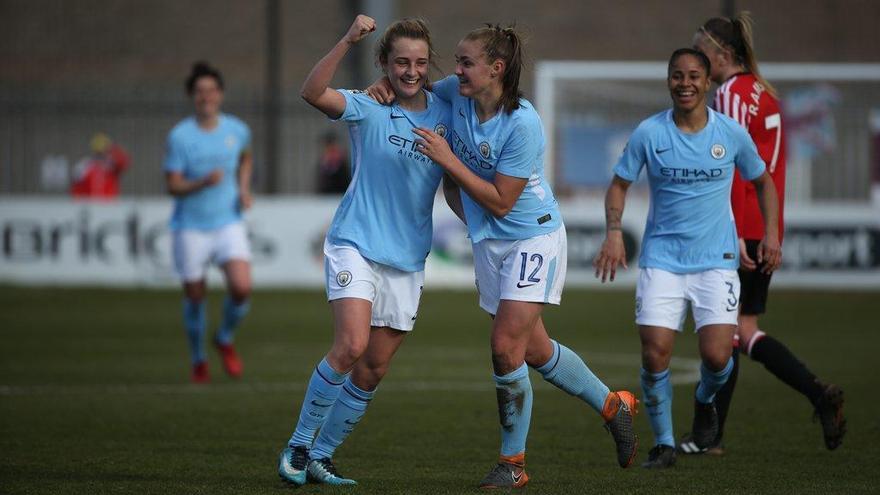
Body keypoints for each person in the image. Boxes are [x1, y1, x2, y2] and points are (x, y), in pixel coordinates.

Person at [371, 24, 638, 489]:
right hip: (490, 243)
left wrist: (448, 160)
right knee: (534, 350)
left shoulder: (523, 123)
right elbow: (418, 91)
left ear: (496, 69)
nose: (456, 71)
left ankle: (512, 464)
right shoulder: (457, 92)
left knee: (503, 347)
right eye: (456, 62)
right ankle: (613, 405)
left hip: (531, 238)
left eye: (466, 62)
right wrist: (387, 87)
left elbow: (501, 201)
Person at [276, 15, 451, 486]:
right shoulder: (368, 105)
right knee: (351, 346)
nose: (410, 71)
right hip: (355, 242)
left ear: (428, 64)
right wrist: (347, 39)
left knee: (373, 368)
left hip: (408, 257)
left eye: (418, 62)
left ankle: (322, 456)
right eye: (400, 62)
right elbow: (312, 93)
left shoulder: (447, 111)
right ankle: (298, 443)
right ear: (384, 63)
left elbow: (476, 85)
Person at [593, 48, 782, 469]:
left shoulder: (730, 134)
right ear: (668, 81)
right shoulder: (649, 133)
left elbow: (764, 182)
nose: (685, 83)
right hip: (662, 259)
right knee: (654, 351)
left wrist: (770, 234)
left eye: (694, 75)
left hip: (717, 259)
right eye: (677, 76)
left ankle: (705, 402)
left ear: (707, 81)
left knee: (717, 358)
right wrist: (613, 233)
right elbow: (619, 184)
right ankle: (663, 444)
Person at [676, 12, 845, 456]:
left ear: (722, 54)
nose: (696, 57)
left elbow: (733, 169)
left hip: (739, 228)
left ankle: (707, 436)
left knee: (722, 335)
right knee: (744, 330)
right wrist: (772, 232)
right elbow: (772, 171)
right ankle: (817, 393)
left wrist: (731, 234)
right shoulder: (763, 94)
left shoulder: (731, 96)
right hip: (764, 227)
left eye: (702, 49)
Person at [163, 61, 253, 384]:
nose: (207, 97)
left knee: (242, 287)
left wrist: (243, 190)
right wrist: (200, 183)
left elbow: (245, 158)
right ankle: (199, 359)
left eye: (212, 90)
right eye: (200, 92)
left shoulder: (237, 130)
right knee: (196, 295)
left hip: (228, 221)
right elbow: (172, 184)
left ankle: (224, 337)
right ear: (192, 95)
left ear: (221, 94)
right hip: (190, 226)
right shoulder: (180, 136)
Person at [70, 132, 130, 198]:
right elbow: (76, 185)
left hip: (110, 204)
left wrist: (112, 148)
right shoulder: (85, 164)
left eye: (104, 151)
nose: (101, 154)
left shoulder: (111, 165)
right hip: (90, 204)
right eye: (98, 152)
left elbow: (124, 162)